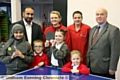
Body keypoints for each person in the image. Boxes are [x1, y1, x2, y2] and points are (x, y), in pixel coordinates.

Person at [86, 8, 120, 79]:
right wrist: (88, 65)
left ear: (106, 16)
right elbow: (91, 48)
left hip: (105, 69)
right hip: (92, 67)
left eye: (102, 14)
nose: (99, 16)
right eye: (97, 14)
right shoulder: (92, 29)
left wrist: (112, 67)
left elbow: (115, 51)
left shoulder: (113, 30)